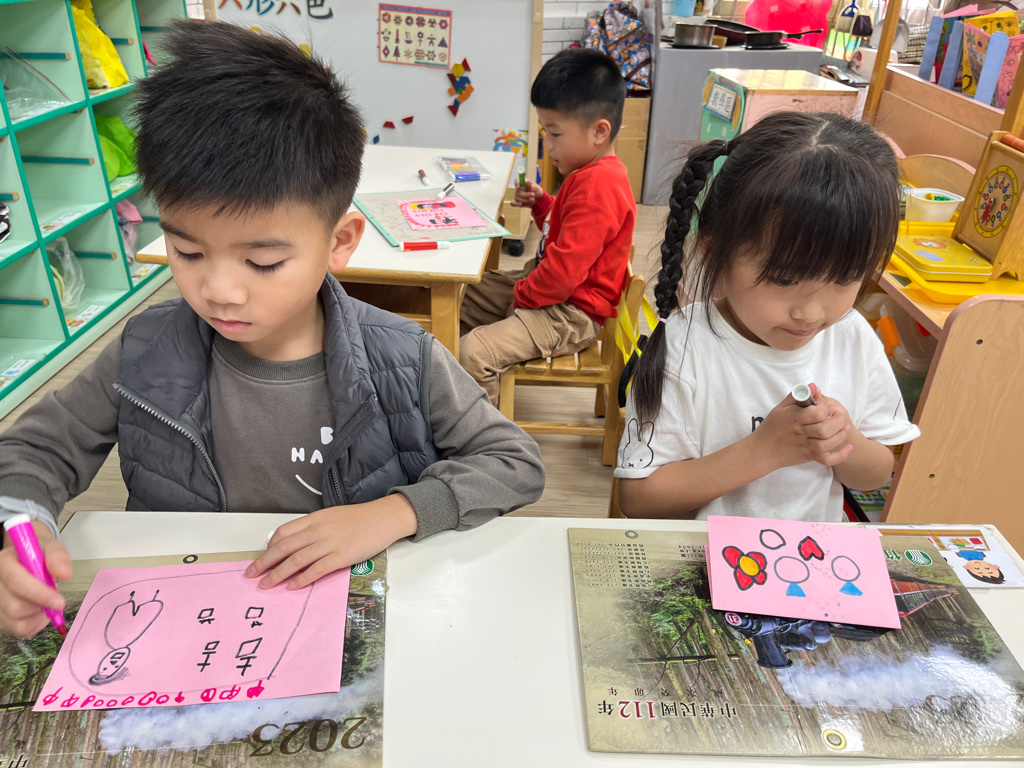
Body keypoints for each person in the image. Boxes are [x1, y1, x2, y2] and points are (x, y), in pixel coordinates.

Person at [0, 21, 545, 638]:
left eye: (262, 262)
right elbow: (33, 451)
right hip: (185, 621)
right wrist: (23, 528)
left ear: (339, 241)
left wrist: (394, 513)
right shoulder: (145, 350)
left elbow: (513, 462)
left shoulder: (402, 357)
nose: (220, 290)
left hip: (350, 623)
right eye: (187, 251)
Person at [616, 111, 919, 521]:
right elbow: (638, 498)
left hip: (811, 554)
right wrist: (763, 451)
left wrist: (842, 440)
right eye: (783, 279)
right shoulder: (685, 348)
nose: (810, 312)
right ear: (713, 250)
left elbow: (877, 474)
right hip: (707, 554)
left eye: (845, 277)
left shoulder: (853, 338)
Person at [459, 48, 636, 405]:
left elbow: (562, 275)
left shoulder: (598, 188)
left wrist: (521, 300)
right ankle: (448, 395)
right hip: (550, 290)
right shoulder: (588, 174)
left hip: (570, 312)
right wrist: (543, 205)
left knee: (474, 352)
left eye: (554, 134)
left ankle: (483, 434)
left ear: (599, 131)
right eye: (545, 131)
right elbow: (568, 232)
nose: (547, 144)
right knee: (459, 295)